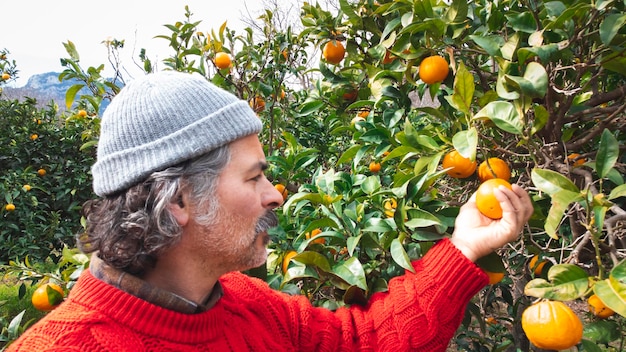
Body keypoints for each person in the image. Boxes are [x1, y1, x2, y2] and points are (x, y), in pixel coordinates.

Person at [8, 71, 533, 352]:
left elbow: (363, 343)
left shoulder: (246, 304)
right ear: (181, 200)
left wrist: (465, 247)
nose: (276, 195)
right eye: (255, 176)